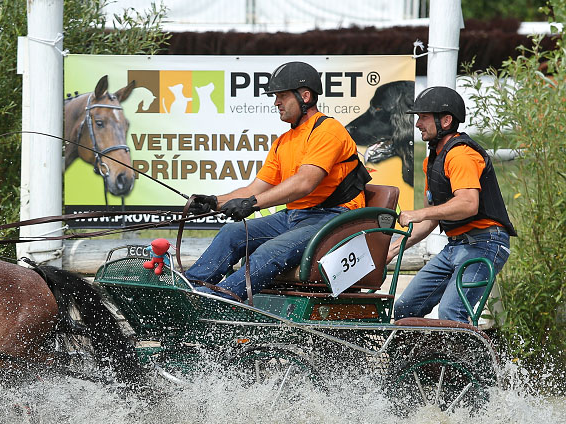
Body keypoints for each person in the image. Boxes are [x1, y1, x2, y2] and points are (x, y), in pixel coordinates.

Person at [184, 61, 369, 299]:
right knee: (231, 233)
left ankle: (219, 301)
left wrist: (252, 204)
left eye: (282, 96)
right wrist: (214, 201)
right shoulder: (284, 140)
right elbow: (255, 188)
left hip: (334, 218)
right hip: (295, 216)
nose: (276, 103)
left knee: (268, 252)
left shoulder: (327, 130)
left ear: (305, 96)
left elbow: (305, 183)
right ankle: (189, 292)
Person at [387, 86, 515, 323]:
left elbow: (468, 204)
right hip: (456, 246)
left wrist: (420, 212)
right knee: (406, 307)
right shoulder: (432, 160)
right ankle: (422, 360)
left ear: (445, 120)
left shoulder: (461, 154)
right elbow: (432, 220)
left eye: (423, 117)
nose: (417, 124)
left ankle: (468, 361)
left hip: (485, 244)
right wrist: (392, 250)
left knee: (451, 313)